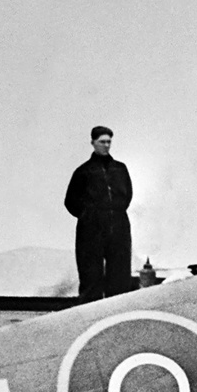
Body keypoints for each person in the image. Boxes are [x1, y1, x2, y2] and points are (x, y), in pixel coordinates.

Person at [63, 125, 134, 302]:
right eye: (102, 142)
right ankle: (90, 316)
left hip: (118, 226)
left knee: (119, 274)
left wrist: (115, 210)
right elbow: (70, 201)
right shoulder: (83, 171)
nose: (106, 145)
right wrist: (89, 215)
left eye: (109, 142)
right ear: (93, 143)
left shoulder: (120, 169)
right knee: (90, 274)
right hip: (91, 230)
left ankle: (117, 314)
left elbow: (128, 194)